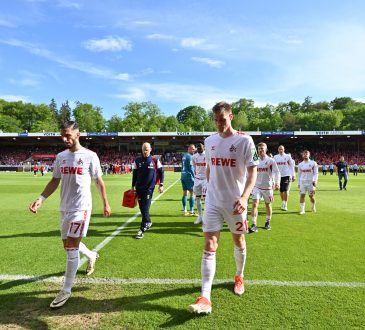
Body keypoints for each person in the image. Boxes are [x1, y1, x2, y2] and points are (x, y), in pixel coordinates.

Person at [29, 121, 111, 309]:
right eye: (62, 136)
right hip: (64, 208)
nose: (65, 139)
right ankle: (91, 255)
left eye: (68, 135)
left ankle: (66, 290)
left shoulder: (90, 156)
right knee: (67, 245)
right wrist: (41, 198)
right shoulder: (61, 157)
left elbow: (99, 181)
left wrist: (106, 203)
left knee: (72, 247)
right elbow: (54, 180)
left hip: (81, 208)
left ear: (77, 133)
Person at [188, 101, 258, 314]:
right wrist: (209, 187)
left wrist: (245, 197)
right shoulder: (209, 141)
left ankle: (239, 276)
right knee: (210, 244)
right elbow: (209, 167)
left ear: (231, 116)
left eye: (223, 120)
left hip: (236, 203)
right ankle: (205, 296)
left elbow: (252, 171)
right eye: (216, 120)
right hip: (213, 201)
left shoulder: (245, 141)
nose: (219, 124)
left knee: (239, 240)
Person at [132, 142, 164, 239]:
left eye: (146, 148)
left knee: (145, 208)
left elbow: (161, 172)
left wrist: (161, 184)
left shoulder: (154, 160)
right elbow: (135, 175)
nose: (145, 150)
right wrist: (132, 186)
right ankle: (148, 221)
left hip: (149, 188)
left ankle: (142, 229)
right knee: (142, 208)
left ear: (150, 149)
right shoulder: (137, 160)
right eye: (143, 149)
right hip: (139, 188)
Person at [249, 142, 280, 233]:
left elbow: (277, 172)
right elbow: (249, 172)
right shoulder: (254, 160)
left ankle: (267, 222)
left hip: (268, 187)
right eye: (259, 148)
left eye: (262, 148)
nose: (260, 150)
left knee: (268, 204)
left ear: (266, 149)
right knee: (255, 204)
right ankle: (254, 224)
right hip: (256, 186)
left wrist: (277, 182)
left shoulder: (271, 160)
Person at [273, 145, 295, 211]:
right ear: (278, 150)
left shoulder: (288, 156)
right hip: (279, 176)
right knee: (281, 191)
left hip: (286, 175)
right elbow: (274, 167)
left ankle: (285, 204)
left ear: (284, 149)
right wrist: (273, 177)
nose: (281, 150)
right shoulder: (275, 157)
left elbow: (291, 166)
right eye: (279, 149)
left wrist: (293, 175)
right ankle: (283, 202)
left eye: (282, 149)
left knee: (285, 190)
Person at [297, 150, 318, 214]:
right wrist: (298, 183)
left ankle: (313, 205)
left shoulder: (313, 163)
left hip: (311, 182)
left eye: (307, 153)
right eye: (304, 154)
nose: (305, 155)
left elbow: (316, 173)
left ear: (309, 155)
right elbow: (299, 174)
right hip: (302, 182)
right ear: (302, 155)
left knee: (311, 196)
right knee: (302, 195)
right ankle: (302, 210)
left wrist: (314, 180)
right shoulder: (300, 164)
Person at [192, 143, 207, 225]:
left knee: (206, 198)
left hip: (206, 179)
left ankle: (205, 216)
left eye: (200, 147)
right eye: (197, 147)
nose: (198, 148)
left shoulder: (208, 155)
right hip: (197, 179)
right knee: (197, 198)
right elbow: (194, 166)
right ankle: (200, 216)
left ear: (204, 147)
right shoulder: (194, 157)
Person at [181, 144, 196, 216]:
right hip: (189, 176)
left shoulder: (184, 156)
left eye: (194, 149)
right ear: (188, 149)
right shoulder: (190, 157)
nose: (194, 150)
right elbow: (191, 168)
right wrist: (195, 176)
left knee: (184, 193)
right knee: (192, 193)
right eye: (192, 149)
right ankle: (191, 210)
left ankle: (184, 210)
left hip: (183, 175)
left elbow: (182, 166)